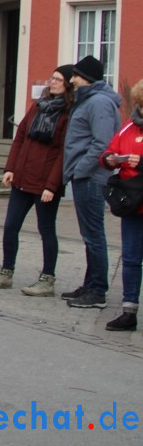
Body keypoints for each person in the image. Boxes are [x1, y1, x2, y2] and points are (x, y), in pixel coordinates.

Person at [0, 65, 74, 296]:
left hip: (45, 183)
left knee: (46, 229)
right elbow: (20, 137)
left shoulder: (68, 113)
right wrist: (10, 168)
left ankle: (47, 278)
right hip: (22, 178)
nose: (52, 82)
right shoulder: (38, 105)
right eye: (52, 78)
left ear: (68, 85)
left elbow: (64, 152)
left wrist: (52, 185)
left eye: (58, 80)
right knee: (10, 226)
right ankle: (6, 272)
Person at [60, 55, 122, 309]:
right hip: (84, 175)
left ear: (86, 77)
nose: (72, 80)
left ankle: (97, 291)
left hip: (91, 177)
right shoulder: (88, 100)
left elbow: (102, 143)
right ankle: (90, 284)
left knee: (94, 234)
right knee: (89, 234)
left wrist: (80, 170)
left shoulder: (98, 103)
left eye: (75, 75)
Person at [99, 79, 143, 331]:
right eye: (140, 104)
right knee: (130, 258)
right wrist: (110, 159)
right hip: (133, 203)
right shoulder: (129, 127)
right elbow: (107, 152)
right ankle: (129, 310)